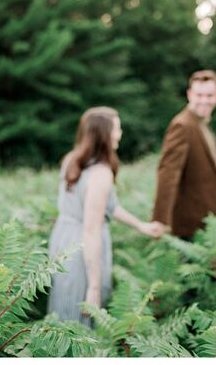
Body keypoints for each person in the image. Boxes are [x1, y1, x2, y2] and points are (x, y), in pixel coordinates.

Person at [47, 107, 165, 327]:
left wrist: (140, 226)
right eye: (117, 129)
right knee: (81, 317)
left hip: (62, 241)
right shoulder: (100, 174)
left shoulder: (71, 160)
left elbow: (108, 206)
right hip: (83, 249)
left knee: (62, 313)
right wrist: (93, 286)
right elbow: (91, 230)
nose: (119, 134)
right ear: (104, 134)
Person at [152, 70, 216, 240]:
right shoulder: (182, 126)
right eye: (199, 95)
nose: (204, 101)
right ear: (189, 95)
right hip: (191, 228)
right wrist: (160, 221)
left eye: (209, 95)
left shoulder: (201, 124)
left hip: (211, 222)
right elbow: (168, 174)